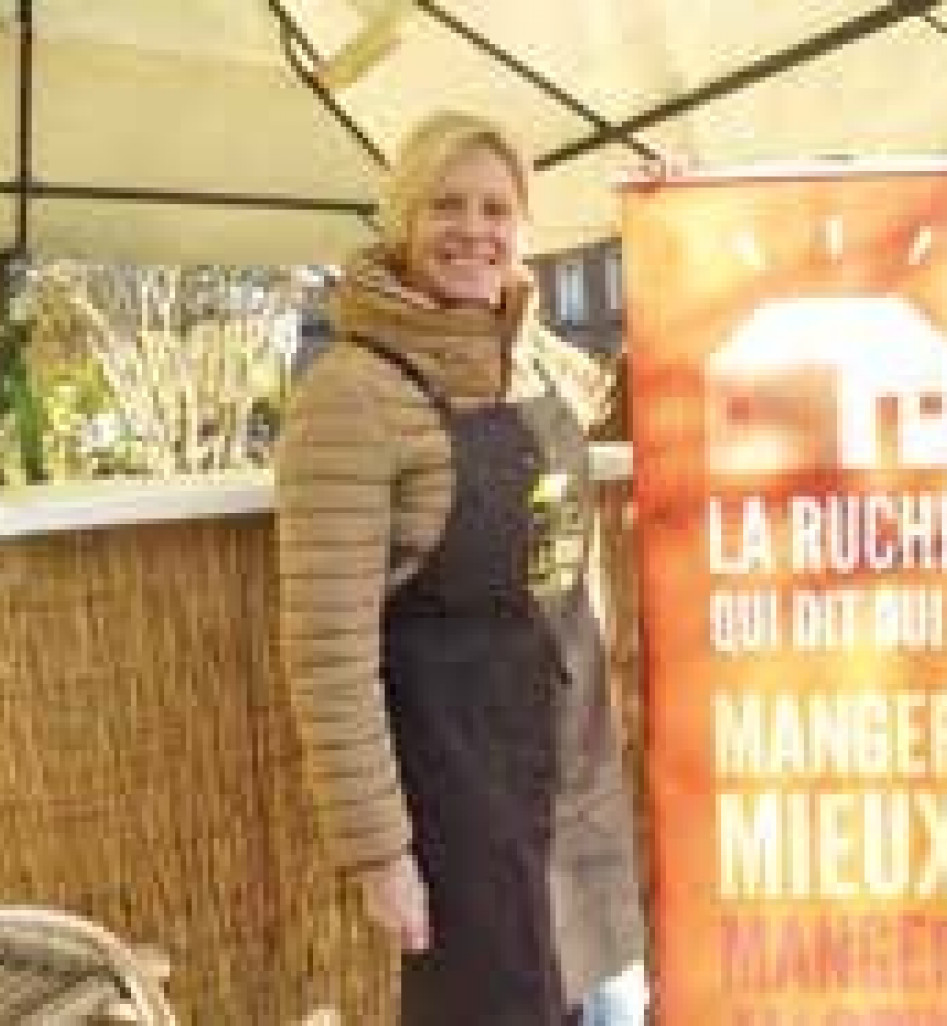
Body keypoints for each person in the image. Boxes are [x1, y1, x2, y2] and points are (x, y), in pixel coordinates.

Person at [276, 111, 644, 1026]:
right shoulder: (351, 394)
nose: (473, 230)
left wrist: (677, 217)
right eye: (446, 204)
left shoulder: (536, 367)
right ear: (402, 218)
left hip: (578, 787)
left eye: (496, 208)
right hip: (460, 816)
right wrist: (381, 856)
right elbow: (328, 656)